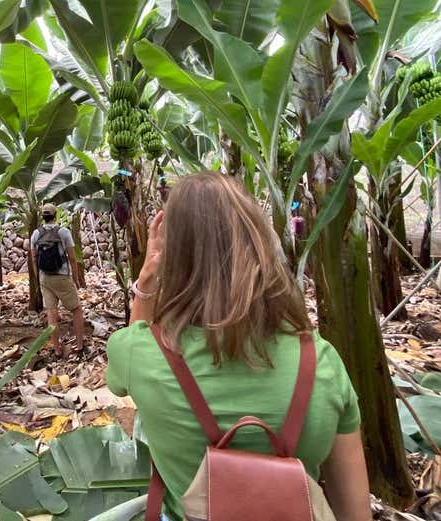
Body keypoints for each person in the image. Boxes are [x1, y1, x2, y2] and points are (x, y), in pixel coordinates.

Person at [106, 172, 371, 521]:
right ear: (260, 243)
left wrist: (147, 278)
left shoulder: (140, 354)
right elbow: (354, 510)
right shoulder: (321, 361)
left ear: (174, 255)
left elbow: (130, 354)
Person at [31, 203, 84, 357]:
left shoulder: (36, 234)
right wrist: (76, 277)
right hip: (61, 277)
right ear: (56, 215)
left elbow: (34, 258)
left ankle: (57, 349)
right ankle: (80, 346)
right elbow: (73, 259)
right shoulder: (63, 232)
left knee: (51, 314)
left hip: (45, 277)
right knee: (76, 309)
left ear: (43, 217)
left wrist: (38, 277)